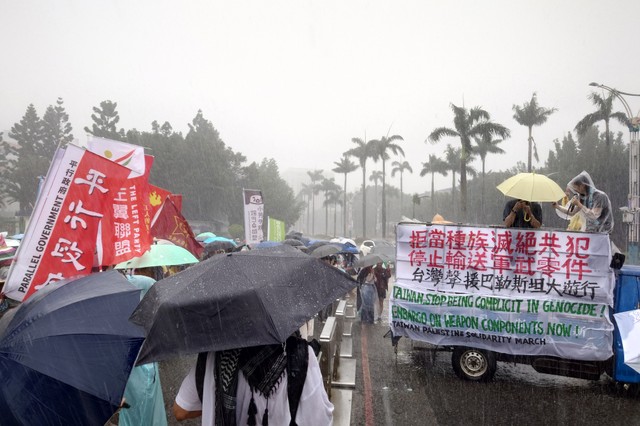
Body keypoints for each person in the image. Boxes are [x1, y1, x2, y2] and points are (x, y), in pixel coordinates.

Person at [173, 334, 333, 426]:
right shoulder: (300, 354)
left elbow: (181, 411)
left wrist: (216, 400)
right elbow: (320, 420)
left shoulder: (213, 355)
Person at [120, 274, 168, 426]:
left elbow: (160, 308)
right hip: (128, 361)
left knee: (145, 406)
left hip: (142, 356)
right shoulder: (101, 294)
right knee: (134, 409)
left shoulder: (144, 283)